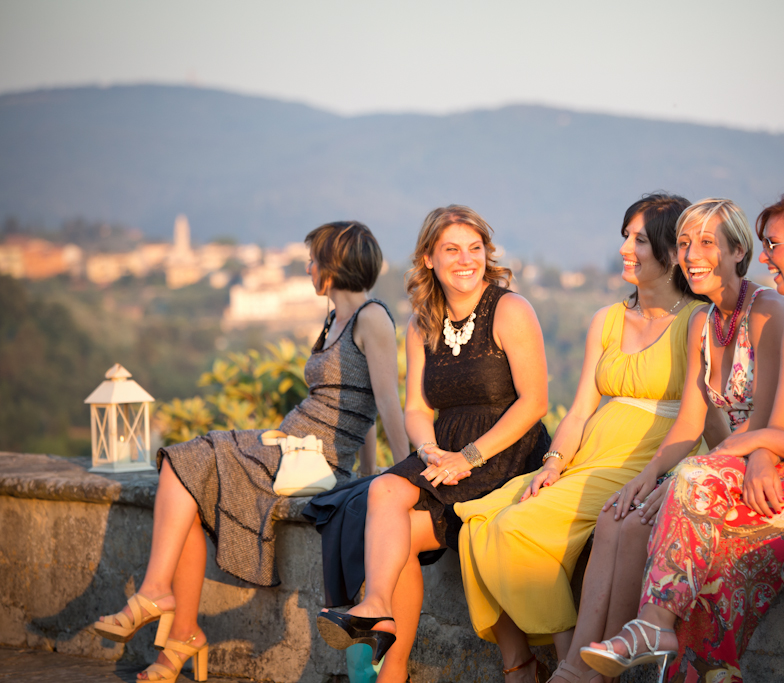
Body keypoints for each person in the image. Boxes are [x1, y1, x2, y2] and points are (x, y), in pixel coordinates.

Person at [582, 190, 784, 683]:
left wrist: (748, 448)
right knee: (713, 559)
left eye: (773, 245)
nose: (768, 258)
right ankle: (707, 669)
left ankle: (652, 625)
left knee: (696, 476)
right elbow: (776, 424)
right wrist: (759, 458)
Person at [91, 221, 408, 682]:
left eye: (313, 259)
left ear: (333, 266)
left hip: (313, 458)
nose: (308, 267)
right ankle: (181, 636)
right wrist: (372, 466)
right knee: (190, 478)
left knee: (189, 456)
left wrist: (395, 476)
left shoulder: (372, 318)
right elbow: (359, 403)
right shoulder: (333, 319)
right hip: (291, 443)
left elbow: (386, 404)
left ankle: (157, 593)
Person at [455, 194, 720, 683]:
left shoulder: (697, 320)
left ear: (668, 251)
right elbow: (580, 408)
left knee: (514, 530)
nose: (625, 248)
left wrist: (670, 474)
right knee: (476, 522)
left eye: (639, 239)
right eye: (625, 236)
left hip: (646, 458)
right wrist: (554, 461)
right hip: (588, 457)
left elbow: (699, 416)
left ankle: (571, 663)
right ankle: (537, 663)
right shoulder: (607, 318)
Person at [551, 198, 784, 683]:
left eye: (706, 243)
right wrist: (646, 476)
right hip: (717, 464)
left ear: (739, 251)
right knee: (617, 513)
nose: (692, 254)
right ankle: (577, 666)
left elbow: (765, 428)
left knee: (639, 526)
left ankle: (596, 673)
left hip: (763, 466)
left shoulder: (768, 313)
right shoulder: (702, 323)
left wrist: (681, 481)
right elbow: (689, 423)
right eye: (683, 244)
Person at [314, 205, 551, 683]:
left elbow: (535, 402)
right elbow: (418, 409)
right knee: (386, 499)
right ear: (428, 259)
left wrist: (470, 456)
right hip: (444, 454)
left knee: (392, 518)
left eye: (475, 248)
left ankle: (395, 652)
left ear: (487, 254)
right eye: (451, 250)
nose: (466, 260)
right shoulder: (423, 323)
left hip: (506, 451)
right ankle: (383, 628)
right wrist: (426, 451)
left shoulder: (509, 309)